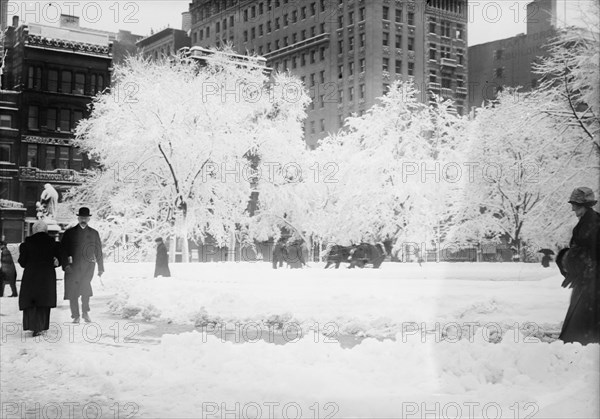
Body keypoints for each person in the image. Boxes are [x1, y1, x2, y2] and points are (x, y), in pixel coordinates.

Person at [557, 187, 600, 345]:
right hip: (586, 282)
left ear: (584, 205)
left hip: (590, 286)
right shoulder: (588, 222)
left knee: (579, 333)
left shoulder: (592, 224)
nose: (573, 208)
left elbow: (591, 255)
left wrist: (568, 259)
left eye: (575, 204)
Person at [60, 207, 104, 323]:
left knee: (85, 289)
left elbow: (98, 251)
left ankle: (85, 312)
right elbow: (62, 250)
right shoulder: (69, 233)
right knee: (73, 291)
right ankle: (76, 316)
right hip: (72, 267)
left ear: (89, 219)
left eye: (86, 218)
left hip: (88, 267)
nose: (83, 219)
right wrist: (65, 265)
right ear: (78, 218)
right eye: (81, 217)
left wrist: (101, 267)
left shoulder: (94, 233)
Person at [18, 221, 61, 337]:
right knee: (44, 301)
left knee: (31, 301)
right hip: (46, 276)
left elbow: (22, 262)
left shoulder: (26, 244)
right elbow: (58, 260)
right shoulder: (53, 244)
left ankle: (32, 325)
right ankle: (41, 326)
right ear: (46, 230)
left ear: (34, 230)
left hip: (31, 276)